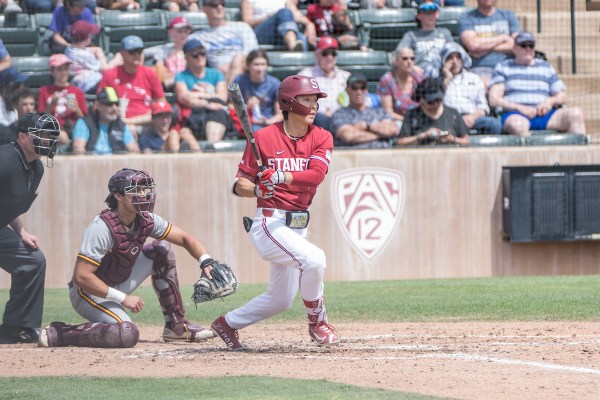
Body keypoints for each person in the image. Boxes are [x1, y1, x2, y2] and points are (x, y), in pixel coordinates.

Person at [211, 74, 339, 351]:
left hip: (298, 225)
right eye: (307, 100)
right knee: (314, 260)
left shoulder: (322, 136)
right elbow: (238, 185)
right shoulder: (263, 137)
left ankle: (227, 323)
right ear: (289, 103)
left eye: (315, 100)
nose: (314, 106)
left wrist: (280, 176)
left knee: (280, 299)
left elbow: (315, 175)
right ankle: (318, 322)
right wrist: (258, 189)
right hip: (269, 223)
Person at [39, 167, 222, 348]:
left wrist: (205, 259)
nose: (143, 195)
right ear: (118, 196)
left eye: (144, 190)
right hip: (88, 292)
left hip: (119, 281)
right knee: (126, 333)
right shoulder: (101, 228)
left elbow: (184, 238)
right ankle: (60, 333)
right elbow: (82, 277)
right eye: (135, 191)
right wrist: (123, 298)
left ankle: (177, 327)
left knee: (162, 249)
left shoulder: (146, 218)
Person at [0, 112, 60, 344]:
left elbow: (9, 205)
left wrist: (21, 232)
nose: (47, 140)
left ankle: (18, 328)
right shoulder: (4, 159)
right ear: (22, 137)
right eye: (41, 135)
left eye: (50, 136)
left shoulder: (37, 169)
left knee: (32, 260)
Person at [488, 32, 586, 137]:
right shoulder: (504, 67)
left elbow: (562, 96)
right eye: (523, 45)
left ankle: (578, 151)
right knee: (518, 125)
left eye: (531, 45)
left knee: (576, 114)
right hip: (516, 114)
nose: (528, 49)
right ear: (515, 48)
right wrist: (519, 108)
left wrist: (549, 101)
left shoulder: (545, 67)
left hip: (545, 115)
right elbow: (494, 99)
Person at [98, 36, 167, 136]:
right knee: (129, 131)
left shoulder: (149, 74)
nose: (137, 55)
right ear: (122, 54)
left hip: (146, 123)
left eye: (139, 51)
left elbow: (162, 103)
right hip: (118, 125)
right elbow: (101, 104)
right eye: (132, 52)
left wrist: (129, 121)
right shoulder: (111, 75)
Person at [190, 0, 259, 84]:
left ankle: (227, 94)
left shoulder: (242, 27)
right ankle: (231, 94)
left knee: (238, 58)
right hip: (217, 76)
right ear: (204, 9)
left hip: (244, 73)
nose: (220, 7)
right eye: (214, 4)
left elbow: (252, 55)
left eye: (222, 4)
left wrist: (232, 67)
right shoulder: (198, 36)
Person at [440, 42, 501, 135]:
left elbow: (483, 106)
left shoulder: (474, 78)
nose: (455, 61)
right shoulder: (438, 80)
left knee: (494, 124)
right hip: (449, 120)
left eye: (458, 57)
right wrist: (447, 78)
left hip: (473, 117)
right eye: (450, 58)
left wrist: (472, 117)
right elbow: (436, 105)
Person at [174, 38, 230, 142]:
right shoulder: (181, 76)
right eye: (195, 54)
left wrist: (197, 94)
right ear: (186, 57)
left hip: (217, 113)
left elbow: (222, 98)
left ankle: (211, 147)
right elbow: (184, 98)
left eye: (202, 53)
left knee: (218, 111)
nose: (200, 57)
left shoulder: (216, 73)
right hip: (194, 114)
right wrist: (208, 104)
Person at [458, 0, 521, 86]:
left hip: (509, 66)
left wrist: (483, 48)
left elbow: (518, 45)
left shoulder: (508, 15)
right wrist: (503, 38)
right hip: (479, 69)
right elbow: (473, 45)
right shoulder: (467, 17)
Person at [331, 73, 400, 148]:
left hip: (383, 155)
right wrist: (381, 134)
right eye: (354, 88)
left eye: (362, 87)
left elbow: (393, 130)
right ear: (347, 90)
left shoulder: (379, 112)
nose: (359, 91)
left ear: (366, 90)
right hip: (354, 157)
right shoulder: (340, 114)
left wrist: (367, 126)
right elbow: (348, 136)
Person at [298, 36, 350, 132]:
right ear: (317, 54)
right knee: (321, 120)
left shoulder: (346, 77)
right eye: (325, 53)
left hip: (342, 120)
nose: (330, 57)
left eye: (333, 53)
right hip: (317, 120)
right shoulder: (306, 76)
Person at [396, 77, 469, 146]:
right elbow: (400, 142)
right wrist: (423, 135)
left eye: (438, 100)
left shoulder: (453, 113)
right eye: (431, 102)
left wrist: (452, 139)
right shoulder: (412, 115)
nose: (435, 104)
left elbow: (466, 140)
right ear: (422, 100)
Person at [71, 87, 140, 154]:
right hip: (92, 163)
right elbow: (78, 150)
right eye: (109, 104)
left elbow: (133, 150)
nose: (114, 108)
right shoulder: (85, 123)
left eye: (116, 104)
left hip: (116, 164)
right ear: (98, 105)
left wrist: (133, 151)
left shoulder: (120, 125)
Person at [38, 54, 87, 147]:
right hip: (51, 129)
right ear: (52, 72)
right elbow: (40, 119)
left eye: (66, 69)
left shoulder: (77, 92)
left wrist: (76, 110)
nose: (63, 73)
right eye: (59, 69)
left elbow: (85, 120)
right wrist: (52, 105)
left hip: (73, 129)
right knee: (61, 136)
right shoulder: (45, 90)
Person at [396, 0, 453, 78]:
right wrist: (412, 67)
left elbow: (453, 54)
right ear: (419, 15)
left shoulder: (445, 33)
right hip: (418, 77)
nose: (430, 15)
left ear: (437, 15)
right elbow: (398, 56)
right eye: (426, 13)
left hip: (442, 75)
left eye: (433, 12)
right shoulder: (411, 35)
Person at [232, 49, 282, 133]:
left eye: (263, 64)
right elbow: (230, 105)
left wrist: (268, 122)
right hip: (246, 122)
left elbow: (280, 114)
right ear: (248, 65)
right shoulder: (240, 80)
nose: (259, 68)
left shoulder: (275, 83)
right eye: (256, 64)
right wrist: (246, 107)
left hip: (268, 122)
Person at [66, 20, 122, 95]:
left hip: (88, 83)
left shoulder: (69, 49)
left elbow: (89, 50)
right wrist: (116, 59)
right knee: (117, 81)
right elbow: (105, 69)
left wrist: (97, 50)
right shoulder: (82, 54)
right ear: (86, 40)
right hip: (90, 85)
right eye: (90, 36)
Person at [240, 0, 315, 51]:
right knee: (283, 12)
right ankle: (293, 45)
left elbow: (295, 14)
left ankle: (300, 69)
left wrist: (309, 23)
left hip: (281, 32)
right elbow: (247, 21)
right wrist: (268, 17)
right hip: (260, 33)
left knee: (301, 38)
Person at [144, 16, 193, 91]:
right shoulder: (163, 49)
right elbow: (141, 53)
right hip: (168, 86)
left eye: (186, 31)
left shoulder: (194, 49)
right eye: (179, 31)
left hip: (189, 85)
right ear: (170, 32)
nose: (183, 35)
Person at [377, 47, 424, 123]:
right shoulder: (387, 80)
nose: (409, 62)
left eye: (412, 58)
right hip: (397, 121)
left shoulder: (419, 79)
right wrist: (407, 121)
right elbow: (388, 112)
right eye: (405, 58)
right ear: (396, 61)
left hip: (419, 120)